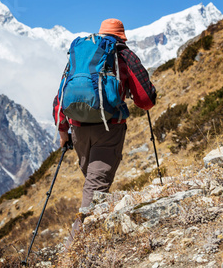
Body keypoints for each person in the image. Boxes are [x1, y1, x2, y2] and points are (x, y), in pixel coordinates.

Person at [52, 18, 156, 242]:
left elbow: (61, 94)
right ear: (122, 37)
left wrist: (63, 130)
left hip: (78, 130)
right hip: (109, 129)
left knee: (93, 184)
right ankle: (74, 249)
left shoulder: (81, 55)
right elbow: (145, 100)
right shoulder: (124, 55)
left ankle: (94, 234)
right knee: (95, 189)